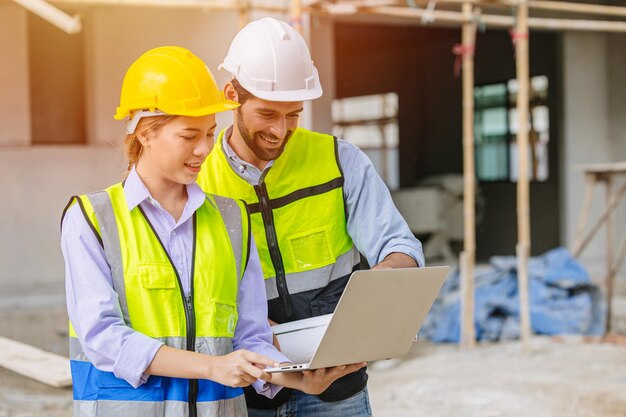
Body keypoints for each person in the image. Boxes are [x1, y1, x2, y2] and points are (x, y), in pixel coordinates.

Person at [61, 46, 364, 417]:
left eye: (210, 133)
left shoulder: (231, 219)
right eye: (188, 136)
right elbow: (102, 337)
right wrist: (212, 367)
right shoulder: (92, 219)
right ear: (145, 133)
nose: (205, 148)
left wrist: (297, 379)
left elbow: (249, 335)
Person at [197, 18, 425, 417]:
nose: (280, 131)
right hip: (250, 389)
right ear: (231, 95)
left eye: (293, 115)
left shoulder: (339, 160)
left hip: (339, 389)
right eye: (267, 114)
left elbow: (399, 245)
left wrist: (385, 282)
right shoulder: (199, 180)